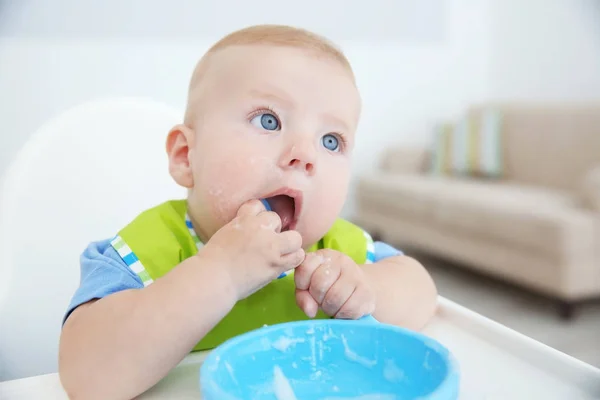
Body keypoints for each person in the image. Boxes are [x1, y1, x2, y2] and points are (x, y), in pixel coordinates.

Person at [58, 24, 438, 400]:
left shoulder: (343, 249)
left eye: (330, 140)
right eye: (268, 121)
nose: (305, 155)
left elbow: (422, 292)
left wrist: (367, 290)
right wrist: (219, 274)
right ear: (186, 156)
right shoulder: (144, 253)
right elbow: (86, 375)